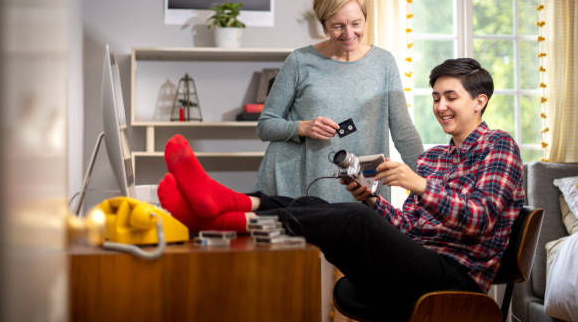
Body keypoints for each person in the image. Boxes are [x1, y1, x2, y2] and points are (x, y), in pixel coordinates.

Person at [158, 58, 525, 321]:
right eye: (435, 97)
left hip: (456, 275)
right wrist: (370, 198)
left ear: (480, 101)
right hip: (418, 261)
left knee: (352, 220)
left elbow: (480, 220)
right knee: (323, 203)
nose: (440, 107)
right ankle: (230, 205)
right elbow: (407, 226)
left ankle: (224, 212)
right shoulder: (436, 158)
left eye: (450, 97)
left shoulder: (498, 146)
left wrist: (418, 185)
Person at [255, 0, 423, 203]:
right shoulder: (299, 61)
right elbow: (265, 125)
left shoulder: (383, 62)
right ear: (323, 23)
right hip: (300, 184)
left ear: (365, 18)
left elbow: (403, 131)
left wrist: (430, 184)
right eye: (337, 26)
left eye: (356, 23)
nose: (348, 34)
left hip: (362, 188)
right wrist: (302, 127)